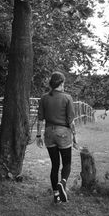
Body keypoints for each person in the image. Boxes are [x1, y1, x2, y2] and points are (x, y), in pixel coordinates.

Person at [36, 71, 79, 204]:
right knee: (67, 164)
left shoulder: (44, 98)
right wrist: (75, 139)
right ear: (61, 83)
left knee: (55, 165)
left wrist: (38, 135)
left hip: (49, 133)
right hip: (63, 133)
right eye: (63, 83)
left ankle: (56, 196)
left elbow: (40, 120)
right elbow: (71, 121)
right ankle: (63, 184)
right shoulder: (67, 98)